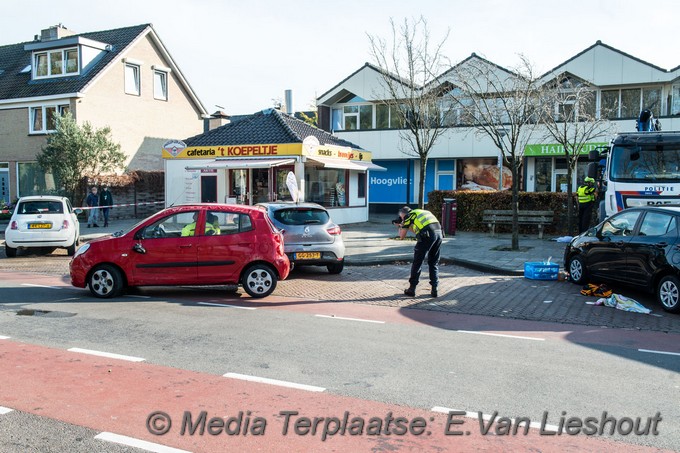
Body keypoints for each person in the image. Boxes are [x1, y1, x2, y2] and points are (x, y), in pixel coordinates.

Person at [398, 206, 443, 298]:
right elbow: (417, 229)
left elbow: (402, 236)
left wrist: (400, 226)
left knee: (417, 262)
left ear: (404, 214)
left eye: (401, 217)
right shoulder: (421, 212)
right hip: (439, 234)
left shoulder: (408, 216)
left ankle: (412, 289)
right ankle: (435, 289)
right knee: (433, 262)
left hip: (427, 235)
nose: (402, 219)